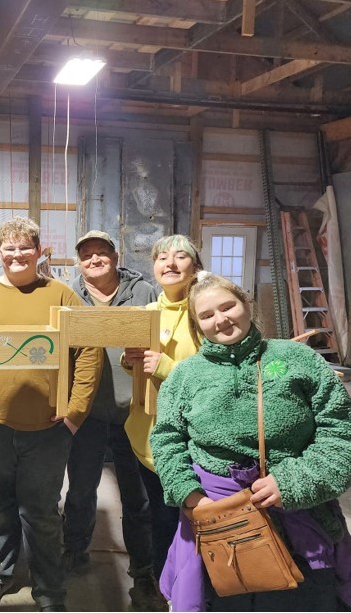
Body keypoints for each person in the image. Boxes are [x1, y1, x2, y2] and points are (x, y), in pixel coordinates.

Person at [150, 272, 351, 612]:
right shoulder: (184, 376)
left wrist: (292, 482)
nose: (221, 319)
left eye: (228, 306)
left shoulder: (297, 360)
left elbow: (342, 431)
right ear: (198, 326)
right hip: (217, 525)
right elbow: (167, 439)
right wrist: (189, 495)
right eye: (207, 315)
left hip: (298, 519)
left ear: (247, 304)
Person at [0, 216, 103, 613]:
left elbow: (89, 351)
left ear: (38, 251)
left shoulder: (62, 294)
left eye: (25, 247)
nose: (16, 255)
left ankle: (49, 589)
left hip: (48, 430)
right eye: (9, 248)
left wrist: (74, 414)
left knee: (41, 513)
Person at [61, 230, 162, 610]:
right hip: (86, 414)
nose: (94, 260)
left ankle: (143, 569)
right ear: (79, 262)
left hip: (133, 412)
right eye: (87, 255)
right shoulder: (70, 296)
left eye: (102, 253)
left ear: (115, 256)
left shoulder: (144, 293)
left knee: (136, 497)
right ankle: (74, 549)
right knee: (81, 490)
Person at [122, 234, 202, 581]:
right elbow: (141, 368)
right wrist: (132, 361)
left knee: (192, 518)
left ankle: (191, 588)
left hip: (193, 438)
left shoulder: (206, 311)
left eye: (180, 256)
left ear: (195, 266)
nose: (170, 263)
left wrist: (168, 368)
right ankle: (161, 586)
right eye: (161, 257)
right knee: (158, 516)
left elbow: (222, 372)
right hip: (148, 434)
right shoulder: (147, 314)